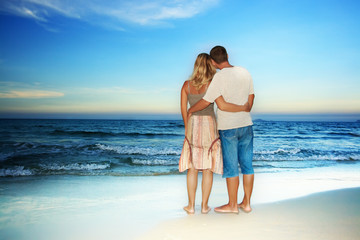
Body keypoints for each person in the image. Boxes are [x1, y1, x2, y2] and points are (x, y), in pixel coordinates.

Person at [179, 53, 249, 214]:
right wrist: (242, 107)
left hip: (193, 124)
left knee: (193, 167)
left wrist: (187, 128)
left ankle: (190, 206)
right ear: (210, 65)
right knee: (208, 168)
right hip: (210, 125)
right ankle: (204, 206)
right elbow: (222, 105)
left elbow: (184, 111)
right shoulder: (212, 84)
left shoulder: (186, 85)